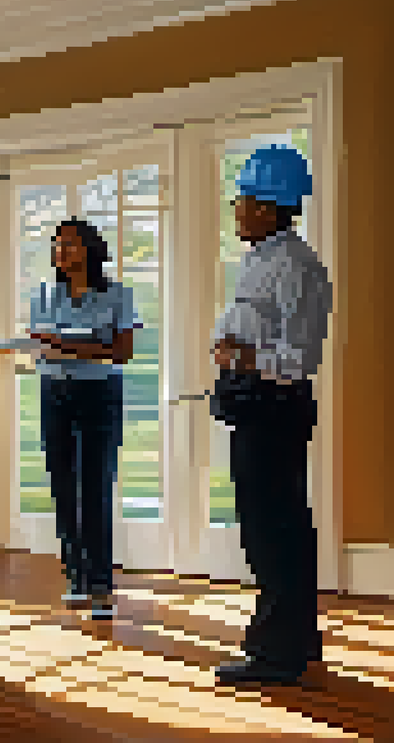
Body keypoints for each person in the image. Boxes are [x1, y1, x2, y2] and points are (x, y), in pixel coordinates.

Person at [208, 145, 331, 687]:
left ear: (268, 206)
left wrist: (240, 356)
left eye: (244, 198)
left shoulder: (298, 268)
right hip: (256, 406)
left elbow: (299, 358)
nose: (235, 207)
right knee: (271, 527)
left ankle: (278, 656)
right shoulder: (258, 260)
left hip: (273, 408)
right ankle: (296, 641)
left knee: (273, 530)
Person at [26, 219, 140, 619]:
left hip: (99, 395)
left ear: (90, 249)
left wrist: (64, 344)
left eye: (70, 244)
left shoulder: (118, 295)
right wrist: (44, 347)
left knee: (95, 489)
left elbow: (122, 352)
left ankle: (100, 585)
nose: (61, 251)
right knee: (62, 487)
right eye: (57, 245)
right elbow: (40, 343)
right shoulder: (42, 294)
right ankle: (76, 578)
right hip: (53, 392)